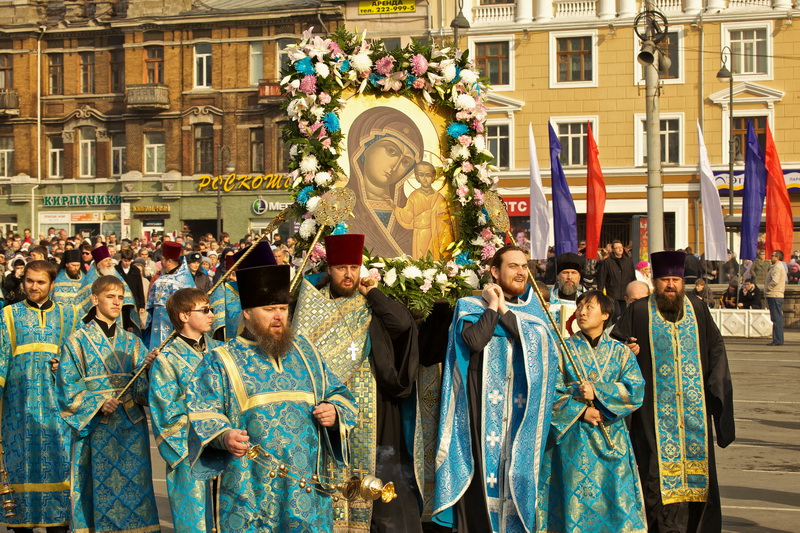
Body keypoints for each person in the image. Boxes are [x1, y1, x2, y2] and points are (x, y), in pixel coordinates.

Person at [186, 261, 357, 531]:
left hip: (307, 490)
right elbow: (203, 411)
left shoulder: (305, 351)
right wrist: (224, 436)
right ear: (247, 312)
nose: (278, 316)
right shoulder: (221, 360)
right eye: (269, 310)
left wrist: (334, 411)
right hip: (251, 490)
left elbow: (339, 393)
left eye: (283, 309)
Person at [292, 233, 421, 532]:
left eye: (353, 267)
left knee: (372, 474)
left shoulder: (368, 303)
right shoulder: (311, 305)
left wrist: (372, 293)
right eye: (341, 268)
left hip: (370, 401)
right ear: (329, 269)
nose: (348, 274)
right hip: (323, 403)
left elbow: (402, 324)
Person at [433, 245, 558, 533]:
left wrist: (503, 309)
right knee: (480, 486)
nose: (521, 272)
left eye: (524, 266)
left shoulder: (535, 312)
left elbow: (542, 350)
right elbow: (475, 341)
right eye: (513, 266)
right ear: (494, 271)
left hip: (520, 415)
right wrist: (492, 306)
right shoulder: (470, 305)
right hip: (481, 412)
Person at [611, 250, 735, 532]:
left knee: (697, 479)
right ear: (655, 282)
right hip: (652, 417)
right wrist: (626, 351)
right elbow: (615, 346)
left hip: (695, 415)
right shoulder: (638, 310)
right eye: (665, 280)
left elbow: (716, 349)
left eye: (675, 280)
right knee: (654, 478)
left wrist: (717, 392)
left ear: (682, 282)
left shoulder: (698, 309)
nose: (670, 285)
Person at [56, 275, 160, 533]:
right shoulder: (76, 341)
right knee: (97, 488)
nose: (116, 302)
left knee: (134, 488)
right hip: (96, 426)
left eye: (120, 298)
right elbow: (67, 387)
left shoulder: (132, 341)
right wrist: (98, 403)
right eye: (110, 296)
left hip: (130, 428)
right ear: (95, 299)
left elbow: (142, 392)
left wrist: (148, 370)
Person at [537, 290, 646, 533]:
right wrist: (580, 410)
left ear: (606, 315)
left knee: (615, 501)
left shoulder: (622, 352)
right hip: (572, 440)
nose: (582, 312)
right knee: (573, 504)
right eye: (580, 307)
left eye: (589, 307)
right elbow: (547, 391)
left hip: (611, 438)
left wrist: (598, 392)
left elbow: (636, 390)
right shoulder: (561, 349)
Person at [0, 261, 79, 533]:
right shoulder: (8, 315)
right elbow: (1, 359)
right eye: (29, 281)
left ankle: (58, 524)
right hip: (17, 408)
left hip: (56, 409)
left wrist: (65, 366)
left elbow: (79, 361)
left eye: (40, 282)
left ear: (52, 284)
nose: (33, 287)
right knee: (19, 466)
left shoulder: (69, 315)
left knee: (58, 465)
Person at [149, 288, 220, 532]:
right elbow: (165, 412)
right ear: (184, 316)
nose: (211, 314)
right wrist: (199, 440)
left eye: (211, 309)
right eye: (205, 310)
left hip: (226, 446)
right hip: (191, 451)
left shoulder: (221, 351)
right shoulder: (166, 359)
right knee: (196, 522)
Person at [345, 107, 423, 257]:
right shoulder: (338, 203)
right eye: (391, 151)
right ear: (366, 147)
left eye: (406, 162)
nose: (395, 166)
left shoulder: (411, 213)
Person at [387, 161, 455, 260]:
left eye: (428, 175)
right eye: (421, 175)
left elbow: (445, 222)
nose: (425, 178)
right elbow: (408, 216)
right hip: (419, 235)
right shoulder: (414, 196)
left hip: (435, 236)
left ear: (433, 177)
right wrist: (395, 207)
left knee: (434, 259)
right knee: (421, 260)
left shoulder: (439, 198)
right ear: (417, 177)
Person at [76, 246, 141, 333]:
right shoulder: (90, 281)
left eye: (110, 260)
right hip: (96, 325)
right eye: (106, 261)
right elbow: (85, 309)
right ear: (99, 264)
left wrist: (129, 324)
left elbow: (126, 304)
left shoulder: (118, 278)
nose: (109, 263)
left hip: (120, 324)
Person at [145, 241, 194, 349]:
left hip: (174, 326)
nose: (161, 262)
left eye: (162, 259)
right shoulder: (161, 277)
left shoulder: (183, 280)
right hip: (156, 326)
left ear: (169, 261)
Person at [597, 240, 635, 323]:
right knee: (616, 313)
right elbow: (602, 277)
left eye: (621, 247)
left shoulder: (628, 261)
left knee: (624, 313)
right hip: (612, 292)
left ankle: (622, 328)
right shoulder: (607, 262)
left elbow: (632, 277)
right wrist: (600, 292)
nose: (620, 249)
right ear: (613, 250)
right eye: (617, 248)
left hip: (625, 292)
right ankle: (615, 328)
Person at [765, 249, 786, 346]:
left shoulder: (777, 267)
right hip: (776, 295)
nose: (771, 257)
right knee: (776, 318)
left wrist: (768, 288)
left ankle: (778, 340)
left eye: (772, 255)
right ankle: (777, 339)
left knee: (776, 318)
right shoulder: (777, 266)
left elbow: (775, 280)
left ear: (777, 257)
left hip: (774, 295)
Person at [115, 247, 146, 312]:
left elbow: (139, 288)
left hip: (133, 301)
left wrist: (142, 305)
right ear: (121, 259)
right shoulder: (116, 270)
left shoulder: (135, 270)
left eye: (129, 261)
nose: (127, 263)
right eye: (125, 261)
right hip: (120, 301)